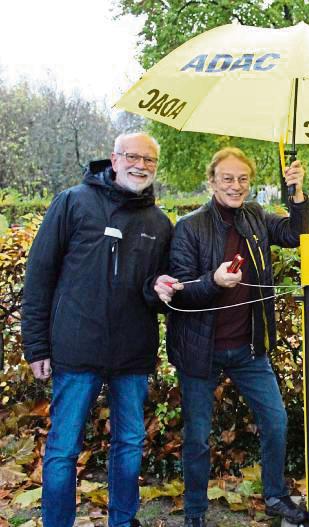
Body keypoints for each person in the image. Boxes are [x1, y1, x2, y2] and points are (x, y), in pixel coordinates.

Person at [21, 133, 181, 527]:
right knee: (62, 448)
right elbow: (39, 276)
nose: (140, 165)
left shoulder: (159, 223)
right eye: (132, 156)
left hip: (131, 353)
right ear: (113, 158)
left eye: (149, 160)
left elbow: (150, 289)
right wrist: (37, 346)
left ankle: (121, 521)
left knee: (129, 444)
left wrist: (158, 290)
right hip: (76, 349)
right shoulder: (73, 202)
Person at [164, 147, 309, 526]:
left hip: (249, 349)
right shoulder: (189, 226)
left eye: (243, 179)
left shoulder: (255, 218)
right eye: (227, 178)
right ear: (211, 181)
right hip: (201, 350)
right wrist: (212, 282)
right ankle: (195, 510)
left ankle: (275, 496)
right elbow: (180, 291)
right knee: (197, 437)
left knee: (276, 421)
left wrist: (296, 194)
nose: (236, 186)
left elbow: (297, 236)